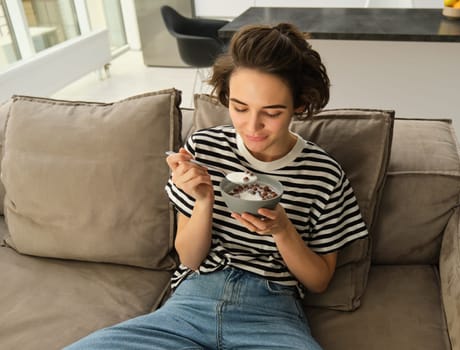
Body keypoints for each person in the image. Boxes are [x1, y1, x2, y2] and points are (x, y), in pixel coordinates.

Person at [65, 22, 368, 350]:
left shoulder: (324, 174)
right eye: (239, 108)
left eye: (272, 112)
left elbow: (319, 280)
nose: (252, 126)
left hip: (271, 314)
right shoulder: (203, 148)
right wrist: (203, 199)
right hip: (191, 303)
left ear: (299, 103)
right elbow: (191, 259)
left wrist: (283, 231)